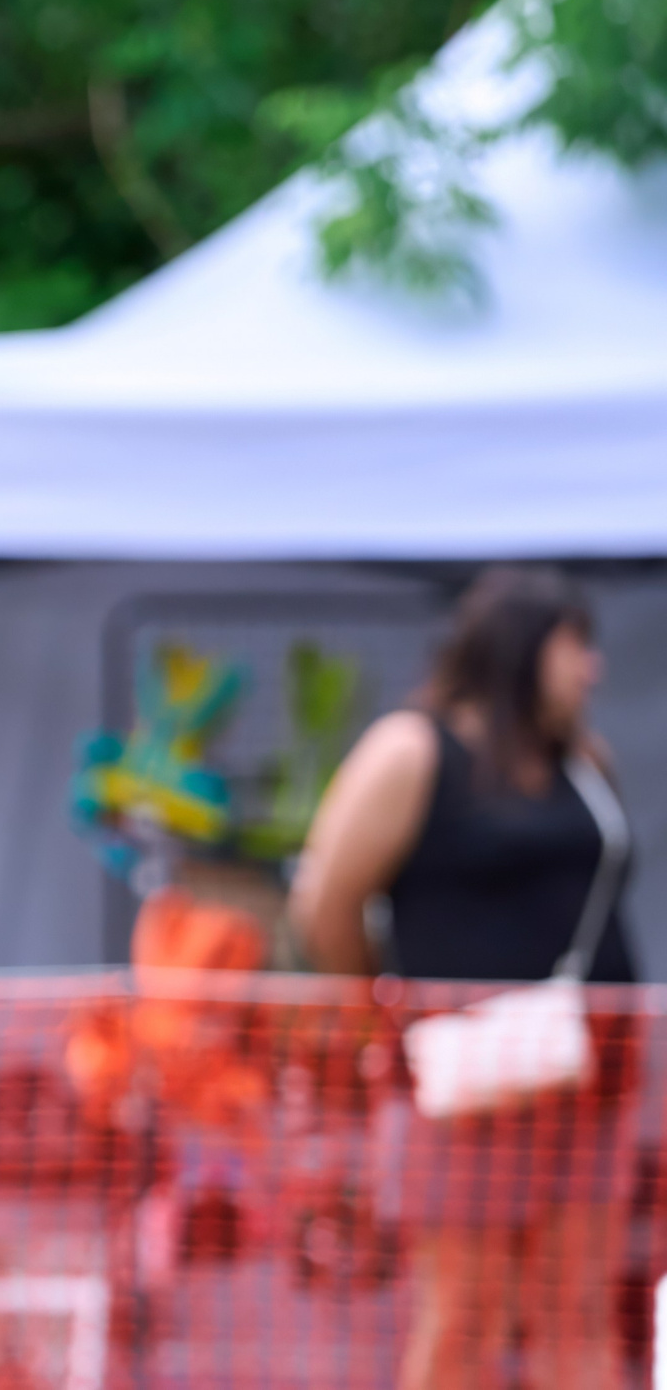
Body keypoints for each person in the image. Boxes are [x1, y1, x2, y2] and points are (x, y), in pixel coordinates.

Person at [289, 566, 632, 1390]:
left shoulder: (583, 761)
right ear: (519, 646)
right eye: (574, 644)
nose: (591, 669)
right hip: (462, 1089)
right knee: (466, 1316)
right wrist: (388, 1013)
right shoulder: (412, 751)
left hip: (589, 1082)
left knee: (578, 1311)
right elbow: (325, 904)